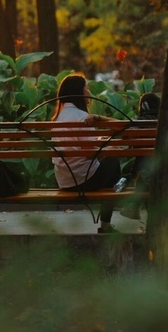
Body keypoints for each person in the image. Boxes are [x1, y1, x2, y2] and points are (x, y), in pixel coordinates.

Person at [51, 73, 122, 233]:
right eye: (86, 87)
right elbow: (90, 153)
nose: (89, 91)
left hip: (65, 181)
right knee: (113, 161)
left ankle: (118, 190)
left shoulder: (58, 118)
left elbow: (81, 148)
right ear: (79, 92)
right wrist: (107, 147)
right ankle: (109, 215)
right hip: (84, 180)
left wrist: (99, 142)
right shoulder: (82, 117)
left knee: (110, 161)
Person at [119, 92, 161, 220]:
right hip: (164, 167)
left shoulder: (136, 122)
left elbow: (126, 138)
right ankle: (134, 208)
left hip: (143, 169)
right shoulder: (166, 121)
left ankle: (134, 208)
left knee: (143, 168)